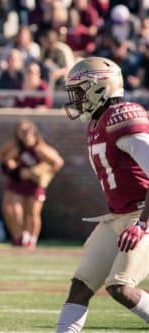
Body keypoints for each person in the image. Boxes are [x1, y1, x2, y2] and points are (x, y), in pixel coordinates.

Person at [56, 57, 149, 332]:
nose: (77, 99)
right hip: (118, 217)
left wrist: (142, 223)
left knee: (119, 287)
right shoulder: (98, 122)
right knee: (81, 285)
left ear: (100, 88)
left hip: (142, 215)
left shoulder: (122, 118)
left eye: (81, 91)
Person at [0, 120, 64, 248]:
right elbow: (3, 158)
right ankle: (19, 237)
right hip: (18, 183)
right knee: (13, 209)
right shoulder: (15, 147)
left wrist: (44, 173)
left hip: (34, 184)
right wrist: (12, 165)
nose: (25, 137)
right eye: (22, 133)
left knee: (33, 213)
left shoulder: (40, 149)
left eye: (27, 134)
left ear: (34, 134)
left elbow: (58, 162)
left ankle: (32, 240)